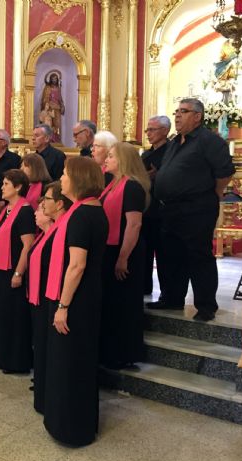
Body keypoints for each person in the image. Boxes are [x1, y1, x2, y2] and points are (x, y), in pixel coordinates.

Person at [148, 98, 235, 321]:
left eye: (183, 111)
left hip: (196, 208)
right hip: (170, 209)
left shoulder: (209, 141)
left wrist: (212, 194)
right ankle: (172, 298)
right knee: (170, 255)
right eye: (176, 111)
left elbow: (224, 172)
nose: (177, 115)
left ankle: (206, 305)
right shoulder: (175, 142)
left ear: (197, 116)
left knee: (198, 256)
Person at [43, 156, 108, 447]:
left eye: (67, 174)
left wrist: (63, 306)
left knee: (70, 362)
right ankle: (76, 422)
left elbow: (76, 265)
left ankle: (70, 426)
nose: (62, 178)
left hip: (76, 301)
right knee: (77, 361)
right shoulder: (93, 210)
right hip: (87, 297)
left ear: (79, 179)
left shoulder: (82, 215)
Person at [99, 143, 150, 369]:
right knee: (113, 303)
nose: (106, 159)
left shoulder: (132, 187)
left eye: (111, 156)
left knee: (125, 303)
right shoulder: (112, 184)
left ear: (123, 160)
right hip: (110, 249)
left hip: (125, 250)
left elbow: (134, 224)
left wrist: (122, 257)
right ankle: (112, 351)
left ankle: (125, 353)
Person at [27, 182, 70, 414]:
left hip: (49, 297)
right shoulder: (44, 234)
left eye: (43, 206)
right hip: (40, 296)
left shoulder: (57, 231)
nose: (38, 210)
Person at [0, 169, 36, 374]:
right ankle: (4, 357)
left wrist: (18, 272)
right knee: (3, 316)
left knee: (16, 317)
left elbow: (28, 245)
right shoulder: (7, 209)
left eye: (6, 184)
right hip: (1, 270)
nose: (2, 187)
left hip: (15, 271)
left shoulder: (25, 210)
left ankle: (17, 361)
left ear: (18, 187)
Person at [141, 115, 171, 295]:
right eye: (147, 130)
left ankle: (166, 292)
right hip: (146, 208)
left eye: (152, 130)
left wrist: (157, 176)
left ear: (165, 131)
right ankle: (144, 287)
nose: (148, 133)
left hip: (162, 210)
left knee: (163, 254)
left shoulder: (170, 152)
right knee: (145, 251)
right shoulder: (146, 154)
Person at [40, 72, 65, 142]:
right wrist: (47, 106)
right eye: (53, 79)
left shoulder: (58, 88)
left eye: (56, 79)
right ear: (50, 79)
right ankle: (50, 139)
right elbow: (45, 99)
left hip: (57, 109)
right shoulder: (48, 88)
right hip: (50, 109)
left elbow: (60, 99)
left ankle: (56, 139)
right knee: (49, 124)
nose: (54, 80)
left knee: (57, 124)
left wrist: (62, 106)